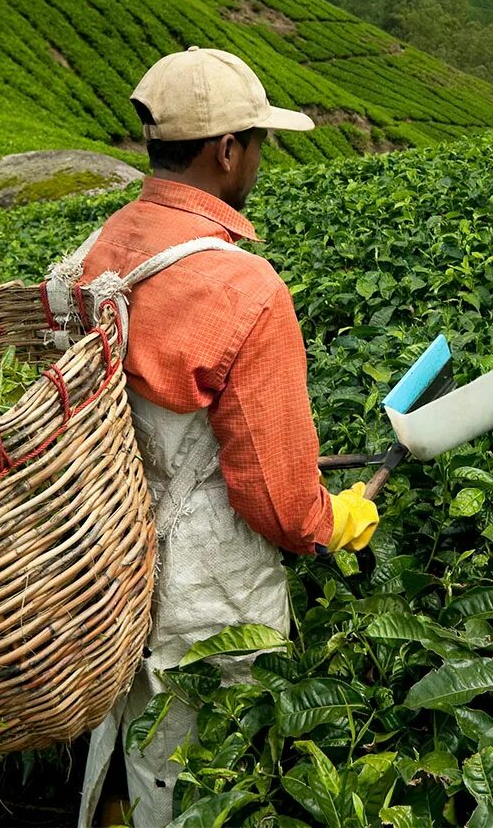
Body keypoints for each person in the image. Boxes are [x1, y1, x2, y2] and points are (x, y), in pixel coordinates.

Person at [74, 47, 380, 827]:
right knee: (204, 778)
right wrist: (333, 520)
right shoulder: (244, 288)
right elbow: (276, 500)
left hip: (105, 561)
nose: (259, 160)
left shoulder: (96, 255)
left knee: (125, 741)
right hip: (203, 592)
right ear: (226, 150)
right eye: (258, 142)